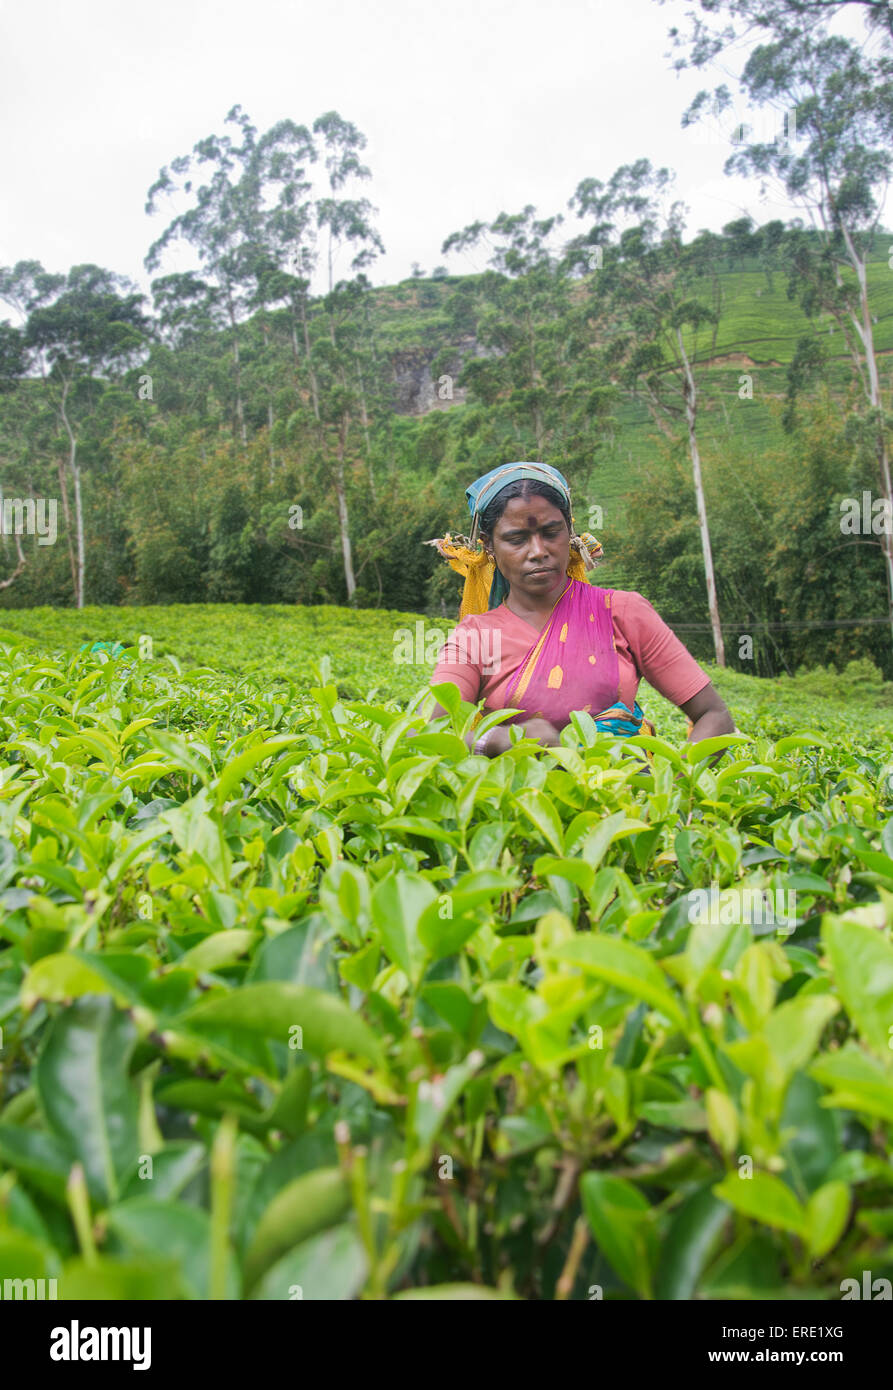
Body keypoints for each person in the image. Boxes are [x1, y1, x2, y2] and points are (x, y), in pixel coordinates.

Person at [424, 462, 735, 757]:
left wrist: (672, 795)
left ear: (568, 531)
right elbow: (428, 737)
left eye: (551, 532)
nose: (538, 551)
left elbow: (714, 715)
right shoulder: (476, 636)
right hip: (522, 805)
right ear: (488, 545)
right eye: (516, 539)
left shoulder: (623, 612)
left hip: (626, 800)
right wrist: (504, 740)